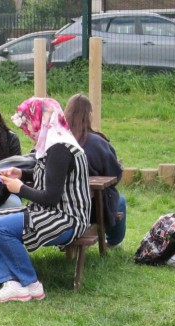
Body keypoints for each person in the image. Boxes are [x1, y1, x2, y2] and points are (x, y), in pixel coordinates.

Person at [0, 97, 91, 303]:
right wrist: (21, 173)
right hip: (48, 211)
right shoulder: (53, 142)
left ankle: (31, 283)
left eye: (28, 123)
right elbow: (52, 177)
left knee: (1, 227)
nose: (26, 129)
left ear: (43, 119)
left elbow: (51, 198)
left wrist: (19, 189)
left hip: (67, 218)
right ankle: (11, 282)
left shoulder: (60, 148)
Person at [64, 93, 126, 247]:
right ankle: (113, 242)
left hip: (59, 205)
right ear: (89, 115)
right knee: (120, 201)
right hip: (91, 208)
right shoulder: (97, 142)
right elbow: (114, 176)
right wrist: (119, 167)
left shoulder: (55, 139)